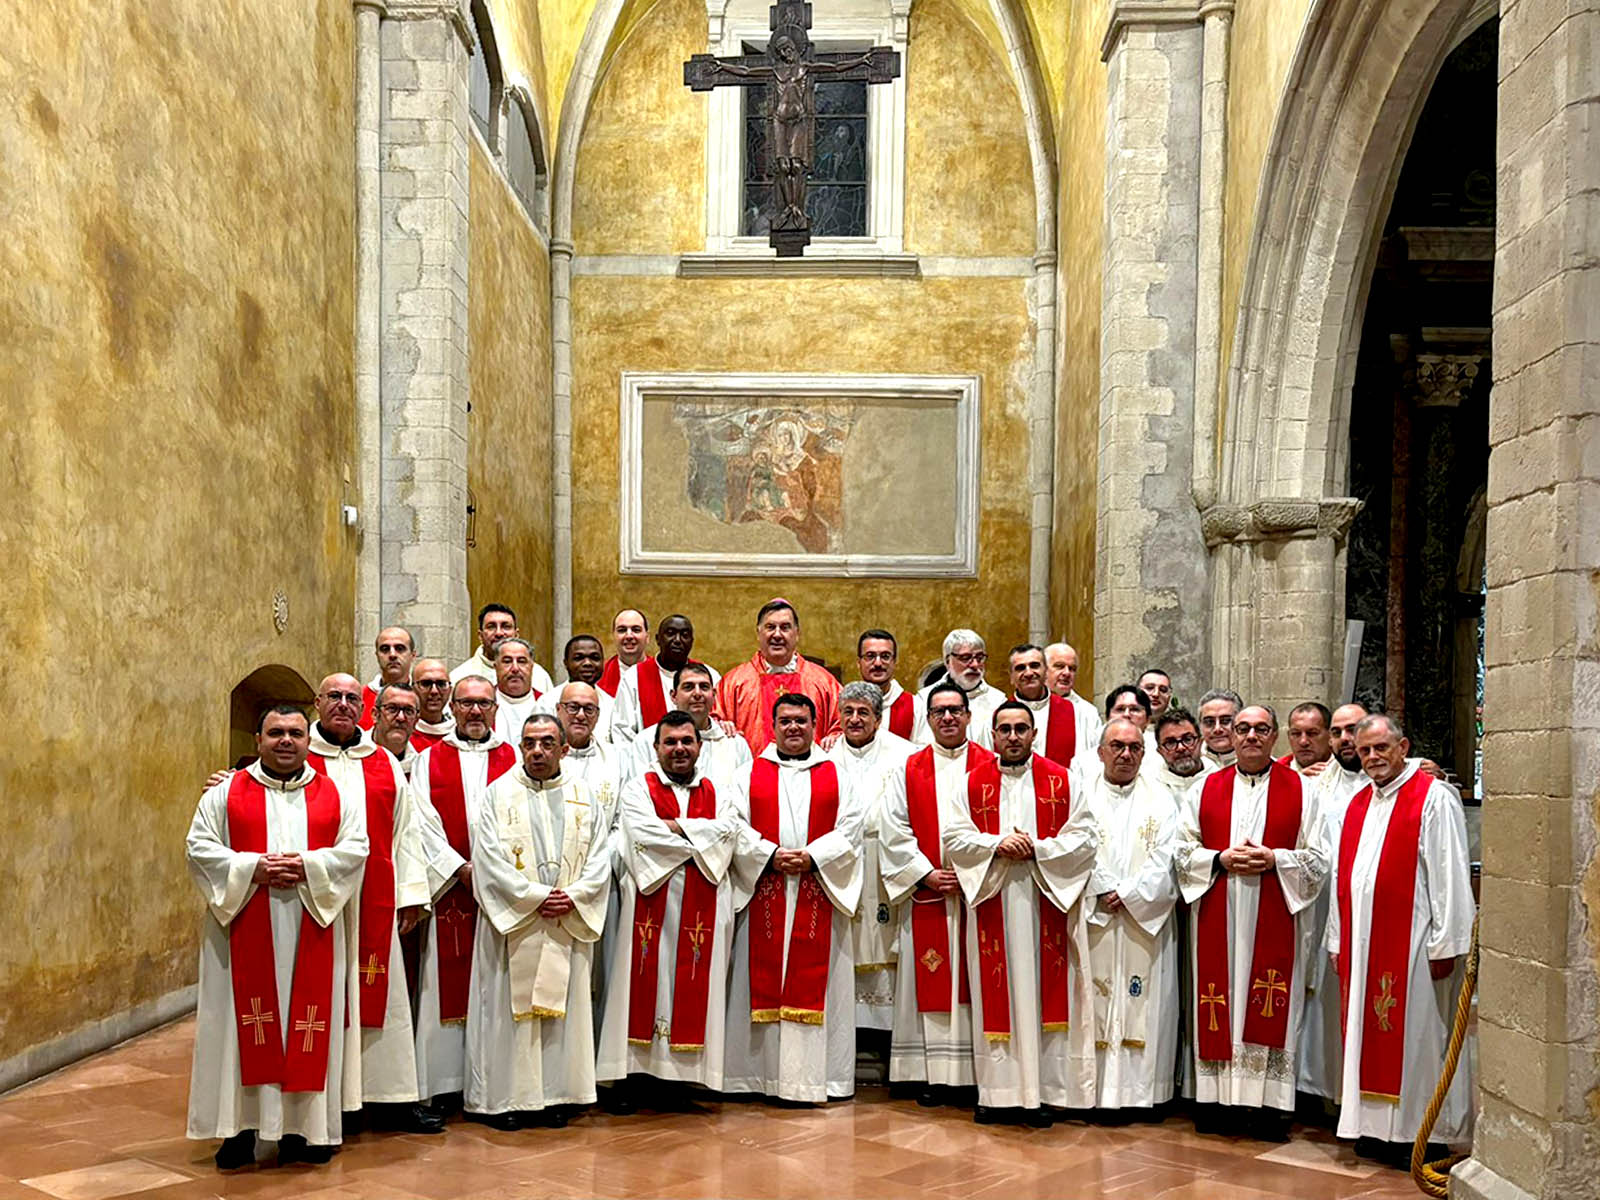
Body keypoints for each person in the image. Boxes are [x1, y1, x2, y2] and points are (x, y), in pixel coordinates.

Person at [186, 706, 368, 1169]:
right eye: (275, 733)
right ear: (259, 737)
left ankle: (303, 1131)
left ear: (309, 740)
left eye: (294, 733)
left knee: (308, 1025)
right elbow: (199, 848)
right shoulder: (225, 794)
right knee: (237, 1027)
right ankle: (239, 1130)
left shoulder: (338, 795)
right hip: (244, 924)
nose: (285, 741)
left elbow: (356, 849)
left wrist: (307, 866)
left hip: (313, 921)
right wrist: (254, 868)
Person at [1325, 714, 1475, 1161]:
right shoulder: (1357, 803)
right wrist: (1337, 939)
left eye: (1381, 748)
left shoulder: (1433, 799)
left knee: (1419, 1040)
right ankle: (1373, 1129)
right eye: (1365, 750)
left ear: (1403, 747)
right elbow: (1343, 877)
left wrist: (1446, 943)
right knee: (1364, 1037)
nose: (1372, 757)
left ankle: (1420, 1134)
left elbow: (1449, 872)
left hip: (1414, 943)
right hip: (1361, 943)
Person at [1175, 704, 1328, 1139]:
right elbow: (1181, 851)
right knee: (1217, 1001)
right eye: (1242, 729)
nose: (1250, 736)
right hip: (1218, 910)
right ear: (1230, 736)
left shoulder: (1303, 791)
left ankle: (1269, 1108)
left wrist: (1274, 858)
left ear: (1274, 735)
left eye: (1261, 729)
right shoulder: (1205, 788)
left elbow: (1319, 859)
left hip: (1275, 911)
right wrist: (1219, 858)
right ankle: (1216, 1101)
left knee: (1268, 1000)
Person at [942, 702, 1097, 1124]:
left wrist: (1038, 849)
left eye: (1021, 729)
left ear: (1034, 734)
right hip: (993, 900)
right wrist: (996, 845)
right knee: (997, 994)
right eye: (1005, 729)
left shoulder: (1064, 781)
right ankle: (997, 1094)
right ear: (992, 736)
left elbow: (1085, 838)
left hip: (1045, 899)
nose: (1013, 736)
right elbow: (953, 837)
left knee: (1042, 996)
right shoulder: (972, 784)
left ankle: (1043, 1094)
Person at [595, 712, 762, 1104]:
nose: (679, 749)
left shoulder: (720, 791)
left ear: (700, 746)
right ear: (656, 748)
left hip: (705, 895)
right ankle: (635, 1076)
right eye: (670, 742)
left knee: (695, 985)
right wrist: (698, 833)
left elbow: (730, 831)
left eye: (687, 741)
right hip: (651, 898)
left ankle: (685, 1079)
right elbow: (640, 833)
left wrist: (673, 827)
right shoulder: (639, 787)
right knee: (641, 983)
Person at [304, 674, 438, 1134]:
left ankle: (389, 1098)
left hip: (372, 904)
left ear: (363, 708)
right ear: (318, 703)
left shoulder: (381, 761)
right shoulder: (299, 757)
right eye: (334, 697)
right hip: (315, 902)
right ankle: (322, 1098)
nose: (342, 704)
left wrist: (411, 897)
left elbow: (406, 832)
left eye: (351, 698)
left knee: (385, 1002)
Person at [465, 714, 611, 1129]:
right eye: (530, 743)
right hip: (517, 924)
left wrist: (575, 896)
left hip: (566, 918)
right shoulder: (498, 795)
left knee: (562, 1014)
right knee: (507, 1018)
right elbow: (488, 861)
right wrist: (535, 898)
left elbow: (601, 858)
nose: (538, 752)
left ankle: (555, 1095)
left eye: (548, 743)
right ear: (520, 747)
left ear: (564, 748)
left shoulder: (584, 795)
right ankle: (505, 1100)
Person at [724, 695, 865, 1103]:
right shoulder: (748, 773)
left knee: (822, 987)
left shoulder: (838, 775)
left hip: (818, 886)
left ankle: (821, 1079)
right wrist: (769, 853)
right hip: (765, 888)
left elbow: (852, 826)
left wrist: (812, 856)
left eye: (801, 720)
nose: (793, 728)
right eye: (785, 720)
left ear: (815, 723)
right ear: (772, 725)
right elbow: (733, 823)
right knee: (756, 982)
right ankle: (755, 1077)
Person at [878, 682, 994, 1102]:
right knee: (930, 976)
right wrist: (925, 873)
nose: (948, 718)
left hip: (980, 896)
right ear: (928, 720)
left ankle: (975, 1074)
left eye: (955, 710)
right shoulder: (910, 768)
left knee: (977, 981)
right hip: (929, 896)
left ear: (968, 716)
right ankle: (929, 1075)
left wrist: (973, 872)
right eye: (939, 712)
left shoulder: (991, 765)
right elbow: (894, 830)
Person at [408, 676, 517, 1113]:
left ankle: (495, 1085)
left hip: (502, 891)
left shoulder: (513, 757)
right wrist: (460, 869)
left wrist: (492, 874)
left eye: (483, 704)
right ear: (452, 707)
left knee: (497, 987)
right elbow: (422, 821)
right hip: (453, 890)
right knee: (443, 986)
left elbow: (520, 820)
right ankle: (445, 1083)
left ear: (496, 709)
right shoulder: (430, 759)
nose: (475, 711)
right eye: (467, 703)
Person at [1080, 719, 1181, 1112]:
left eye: (1134, 747)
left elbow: (1169, 857)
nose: (1125, 754)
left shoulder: (1163, 798)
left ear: (1145, 752)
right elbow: (1076, 846)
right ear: (1101, 751)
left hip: (1144, 921)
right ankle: (1093, 1093)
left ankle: (1143, 1096)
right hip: (1097, 917)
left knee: (1146, 1003)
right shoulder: (1082, 795)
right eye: (1117, 746)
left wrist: (1131, 894)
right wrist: (1104, 887)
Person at [826, 682, 915, 1032]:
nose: (855, 719)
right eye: (848, 711)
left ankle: (886, 1032)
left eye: (863, 712)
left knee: (883, 937)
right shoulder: (825, 757)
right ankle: (848, 1027)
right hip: (842, 860)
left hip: (886, 859)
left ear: (879, 718)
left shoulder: (905, 754)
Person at [1296, 701, 1370, 1103]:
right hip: (1322, 904)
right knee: (1321, 994)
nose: (1346, 739)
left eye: (1352, 729)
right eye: (1339, 732)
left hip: (1369, 910)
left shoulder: (1393, 778)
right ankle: (1320, 1087)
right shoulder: (1311, 784)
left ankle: (1358, 1093)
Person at [717, 598, 841, 752]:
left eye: (785, 627)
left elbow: (841, 726)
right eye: (770, 627)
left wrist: (835, 737)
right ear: (758, 633)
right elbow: (713, 726)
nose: (777, 634)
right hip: (753, 773)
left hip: (809, 772)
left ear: (797, 634)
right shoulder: (734, 682)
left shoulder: (823, 681)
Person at [632, 663, 753, 786]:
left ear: (714, 695)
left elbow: (745, 794)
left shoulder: (735, 743)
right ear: (673, 696)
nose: (697, 693)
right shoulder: (646, 741)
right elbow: (641, 791)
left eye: (704, 687)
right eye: (688, 687)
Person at [612, 614, 720, 744]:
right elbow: (622, 731)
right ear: (658, 639)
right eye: (670, 633)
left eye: (684, 635)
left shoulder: (709, 675)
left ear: (692, 641)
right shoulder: (633, 677)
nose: (677, 640)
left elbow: (719, 723)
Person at [1007, 643, 1095, 774]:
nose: (1029, 673)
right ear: (1011, 676)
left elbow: (1091, 762)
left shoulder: (1079, 713)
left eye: (1035, 666)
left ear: (1045, 671)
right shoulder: (998, 714)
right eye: (1020, 668)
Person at [913, 629, 1005, 745]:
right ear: (947, 661)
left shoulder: (998, 702)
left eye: (980, 657)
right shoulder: (923, 700)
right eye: (965, 658)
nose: (975, 665)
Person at [541, 636, 616, 744]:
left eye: (594, 658)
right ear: (566, 663)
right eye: (578, 658)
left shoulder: (612, 704)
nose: (587, 663)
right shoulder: (547, 702)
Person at [1044, 641, 1105, 751]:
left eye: (1072, 669)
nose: (1067, 673)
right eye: (1059, 666)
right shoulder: (1026, 706)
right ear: (1043, 669)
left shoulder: (1088, 712)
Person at [856, 629, 916, 740]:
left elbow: (924, 752)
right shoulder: (846, 706)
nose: (878, 663)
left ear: (894, 662)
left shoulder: (915, 706)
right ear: (859, 663)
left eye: (885, 656)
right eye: (870, 656)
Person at [492, 637, 551, 744]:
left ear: (532, 667)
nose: (515, 668)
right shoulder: (484, 703)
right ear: (495, 667)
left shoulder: (547, 704)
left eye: (521, 661)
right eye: (507, 661)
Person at [452, 603, 522, 684]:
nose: (498, 633)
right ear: (480, 636)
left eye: (506, 626)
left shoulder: (536, 676)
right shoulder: (459, 677)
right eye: (491, 627)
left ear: (516, 635)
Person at [361, 627, 416, 730]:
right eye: (385, 649)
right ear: (377, 655)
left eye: (400, 648)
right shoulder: (360, 698)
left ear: (412, 655)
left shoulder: (423, 696)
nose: (392, 655)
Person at [1105, 684, 1164, 781]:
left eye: (1135, 709)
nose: (1127, 714)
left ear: (1148, 720)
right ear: (1107, 718)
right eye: (1120, 709)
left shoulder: (1161, 759)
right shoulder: (1085, 763)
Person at [1151, 708, 1211, 800]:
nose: (1180, 748)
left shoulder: (1223, 781)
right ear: (1160, 751)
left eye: (1187, 739)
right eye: (1170, 743)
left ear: (1200, 742)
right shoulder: (1149, 788)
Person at [370, 683, 421, 777]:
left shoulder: (421, 768)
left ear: (416, 721)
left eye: (408, 711)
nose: (401, 718)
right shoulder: (353, 755)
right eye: (392, 708)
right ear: (375, 715)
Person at [598, 608, 650, 697]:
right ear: (613, 636)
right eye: (622, 630)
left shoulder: (660, 673)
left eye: (636, 630)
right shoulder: (599, 676)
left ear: (647, 637)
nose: (629, 635)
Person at [410, 658, 455, 748]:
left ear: (450, 690)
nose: (434, 691)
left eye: (441, 684)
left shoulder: (459, 734)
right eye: (426, 684)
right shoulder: (403, 732)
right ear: (412, 689)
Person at [1197, 689, 1243, 770]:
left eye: (1225, 721)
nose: (1217, 729)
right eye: (1209, 722)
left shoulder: (1258, 762)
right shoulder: (1192, 762)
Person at [1285, 702, 1333, 774]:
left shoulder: (1346, 769)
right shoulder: (1275, 772)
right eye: (1296, 734)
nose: (1303, 742)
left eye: (1312, 733)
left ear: (1330, 735)